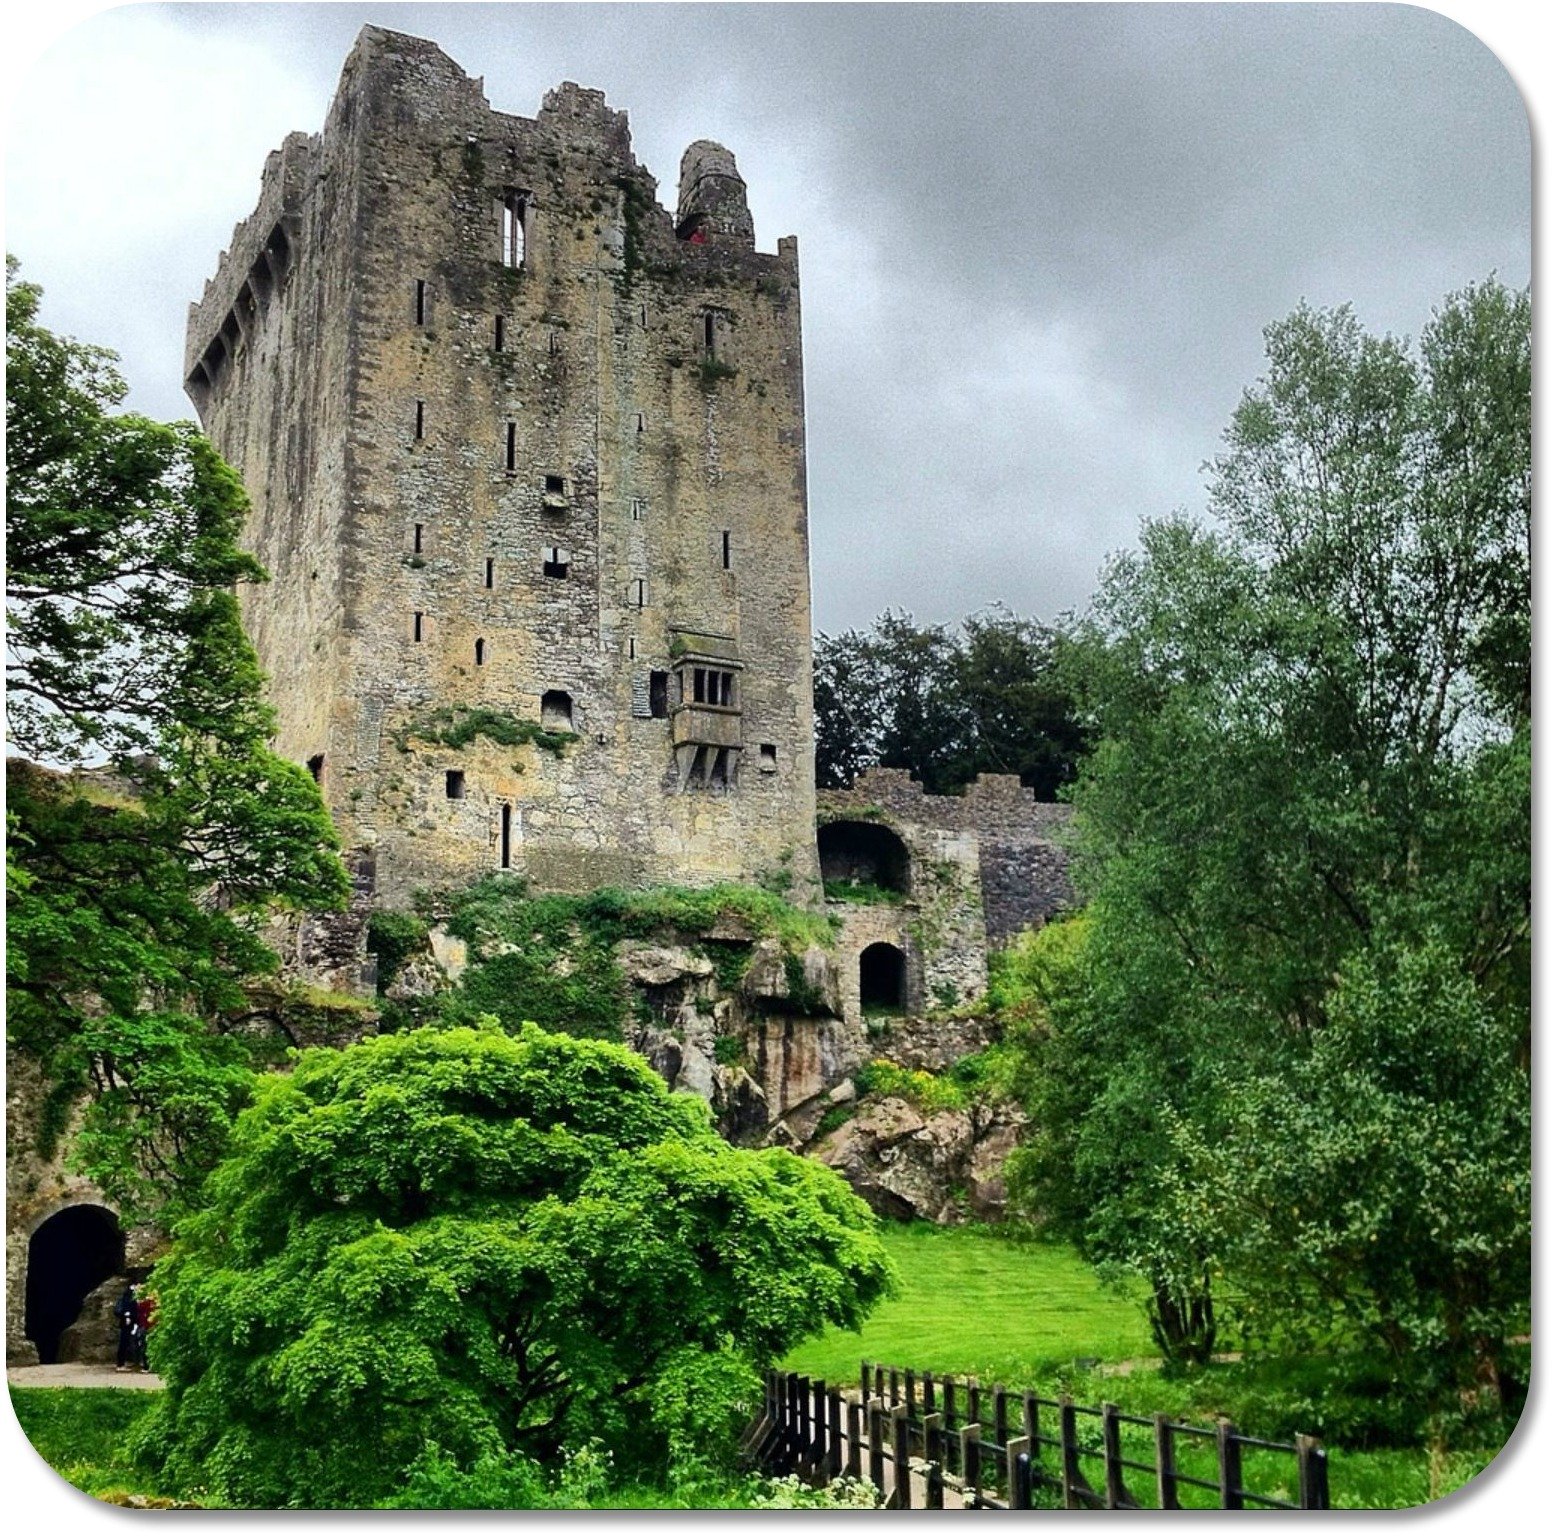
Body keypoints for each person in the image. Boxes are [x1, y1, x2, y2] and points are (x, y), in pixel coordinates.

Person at [113, 1282, 138, 1372]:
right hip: (127, 1323)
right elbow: (127, 1309)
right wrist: (128, 1316)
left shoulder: (128, 1296)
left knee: (127, 1343)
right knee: (124, 1343)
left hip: (130, 1322)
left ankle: (125, 1362)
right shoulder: (128, 1297)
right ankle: (121, 1364)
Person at [133, 1288, 157, 1371]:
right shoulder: (149, 1303)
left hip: (147, 1326)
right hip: (148, 1326)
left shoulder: (144, 1304)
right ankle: (148, 1365)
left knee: (145, 1346)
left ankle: (147, 1365)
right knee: (146, 1346)